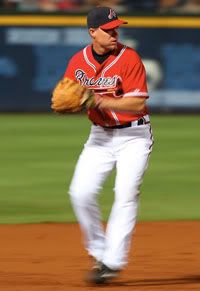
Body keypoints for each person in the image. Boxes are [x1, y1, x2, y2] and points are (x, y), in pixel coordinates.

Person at [64, 6, 154, 284]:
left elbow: (138, 103)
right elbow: (67, 95)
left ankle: (112, 262)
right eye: (109, 29)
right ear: (93, 32)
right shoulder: (78, 62)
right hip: (100, 136)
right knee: (80, 192)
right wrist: (69, 105)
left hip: (134, 137)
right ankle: (99, 251)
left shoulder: (130, 58)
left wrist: (98, 100)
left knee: (126, 192)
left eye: (117, 27)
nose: (115, 33)